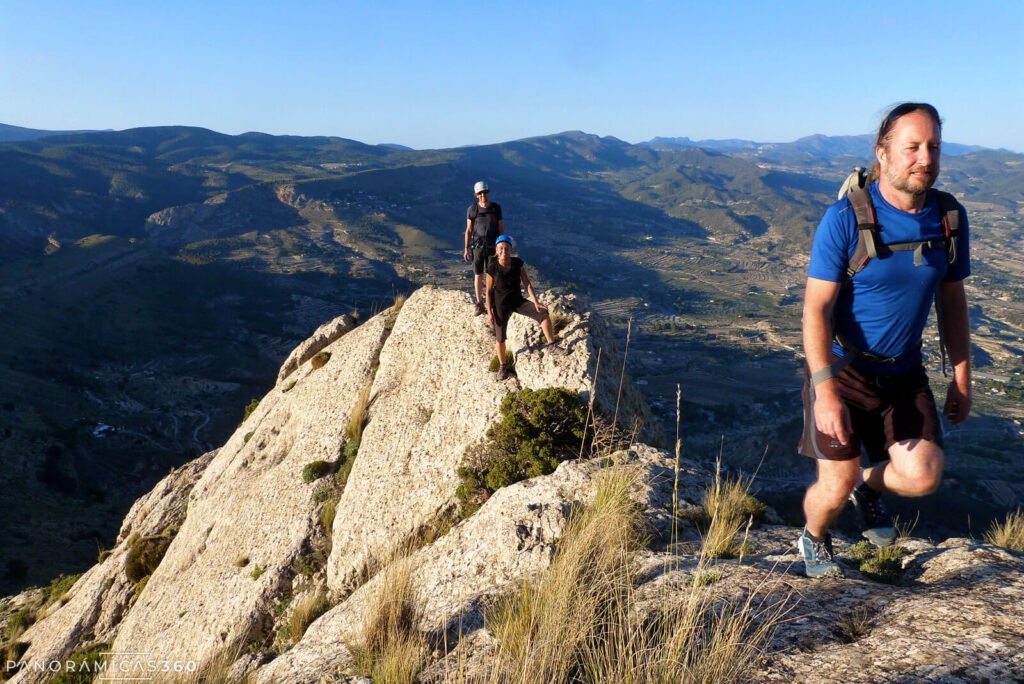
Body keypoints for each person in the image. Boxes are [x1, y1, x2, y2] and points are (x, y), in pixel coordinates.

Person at [797, 103, 972, 578]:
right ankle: (813, 538)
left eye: (933, 146)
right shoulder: (845, 218)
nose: (925, 157)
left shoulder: (949, 217)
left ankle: (867, 487)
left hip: (903, 370)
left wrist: (960, 377)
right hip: (844, 371)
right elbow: (816, 310)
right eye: (911, 146)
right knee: (832, 489)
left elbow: (951, 304)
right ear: (883, 152)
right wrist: (824, 393)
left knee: (923, 476)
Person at [485, 236, 566, 380]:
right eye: (501, 248)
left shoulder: (517, 263)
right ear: (497, 250)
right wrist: (490, 312)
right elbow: (489, 292)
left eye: (507, 248)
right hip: (500, 305)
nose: (504, 250)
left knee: (543, 314)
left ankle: (551, 345)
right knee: (500, 338)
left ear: (511, 249)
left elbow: (527, 283)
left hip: (517, 301)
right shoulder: (492, 267)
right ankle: (503, 366)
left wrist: (535, 302)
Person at [464, 181, 504, 315]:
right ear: (476, 195)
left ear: (488, 192)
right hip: (478, 246)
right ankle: (479, 303)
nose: (483, 195)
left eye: (485, 192)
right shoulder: (472, 209)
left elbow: (500, 228)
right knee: (478, 275)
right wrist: (466, 248)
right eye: (480, 193)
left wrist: (502, 245)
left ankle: (490, 302)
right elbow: (469, 230)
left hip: (493, 246)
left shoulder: (495, 208)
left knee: (492, 275)